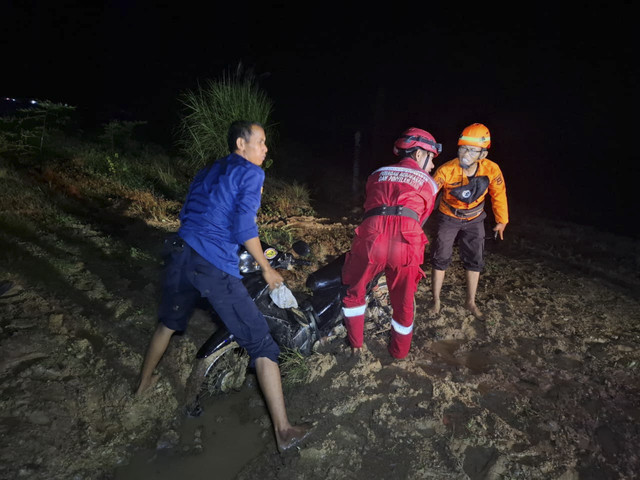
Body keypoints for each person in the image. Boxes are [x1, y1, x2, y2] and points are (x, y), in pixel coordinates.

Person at [135, 120, 312, 452]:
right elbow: (245, 227)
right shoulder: (251, 172)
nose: (265, 148)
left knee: (169, 323)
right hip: (212, 264)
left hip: (181, 254)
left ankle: (143, 385)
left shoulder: (210, 169)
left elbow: (191, 211)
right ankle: (284, 431)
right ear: (241, 144)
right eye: (260, 142)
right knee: (262, 345)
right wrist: (267, 270)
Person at [341, 127, 441, 359]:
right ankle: (399, 353)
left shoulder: (377, 173)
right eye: (431, 158)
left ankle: (356, 344)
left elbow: (370, 205)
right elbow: (421, 219)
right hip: (405, 242)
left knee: (355, 291)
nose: (433, 165)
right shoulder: (430, 183)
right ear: (418, 155)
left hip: (371, 236)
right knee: (403, 302)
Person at [429, 122, 509, 318]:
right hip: (448, 217)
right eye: (463, 148)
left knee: (475, 259)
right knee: (440, 257)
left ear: (483, 154)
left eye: (473, 150)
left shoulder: (491, 169)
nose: (466, 154)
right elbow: (429, 194)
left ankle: (470, 302)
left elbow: (499, 194)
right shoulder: (446, 170)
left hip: (475, 219)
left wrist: (502, 220)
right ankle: (436, 300)